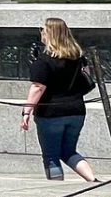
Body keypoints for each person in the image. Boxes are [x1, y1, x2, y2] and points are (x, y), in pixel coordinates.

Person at [21, 17, 101, 183]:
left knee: (51, 156)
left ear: (50, 33)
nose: (40, 33)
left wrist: (26, 112)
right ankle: (92, 180)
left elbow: (38, 87)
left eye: (42, 29)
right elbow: (86, 83)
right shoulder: (77, 58)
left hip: (51, 113)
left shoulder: (43, 61)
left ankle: (57, 191)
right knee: (69, 151)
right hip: (76, 110)